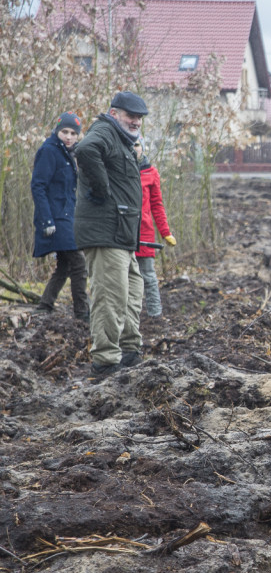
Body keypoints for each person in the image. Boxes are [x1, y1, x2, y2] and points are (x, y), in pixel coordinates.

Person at [74, 91, 149, 377]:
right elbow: (85, 150)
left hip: (122, 235)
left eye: (139, 117)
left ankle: (130, 353)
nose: (136, 121)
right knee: (110, 296)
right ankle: (105, 362)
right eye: (130, 115)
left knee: (131, 293)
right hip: (105, 233)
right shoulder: (104, 130)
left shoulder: (123, 141)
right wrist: (101, 188)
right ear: (114, 112)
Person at [31, 111, 89, 321]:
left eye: (74, 133)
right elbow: (38, 186)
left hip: (67, 215)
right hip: (56, 217)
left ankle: (45, 305)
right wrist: (46, 220)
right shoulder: (49, 151)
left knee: (65, 265)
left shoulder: (70, 154)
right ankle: (82, 313)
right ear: (57, 130)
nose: (69, 136)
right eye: (65, 131)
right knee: (78, 263)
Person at [133, 140, 176, 318]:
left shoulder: (151, 172)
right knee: (124, 277)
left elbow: (157, 205)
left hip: (145, 232)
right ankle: (130, 315)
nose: (133, 148)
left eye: (136, 144)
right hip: (120, 232)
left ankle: (155, 314)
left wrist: (165, 232)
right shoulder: (117, 169)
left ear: (142, 146)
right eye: (129, 144)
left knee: (148, 276)